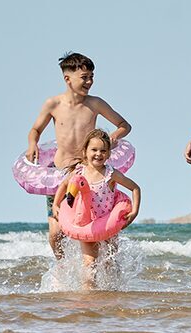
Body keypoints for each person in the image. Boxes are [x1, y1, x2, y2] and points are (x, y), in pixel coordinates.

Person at [26, 52, 132, 259]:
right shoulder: (53, 104)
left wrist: (111, 138)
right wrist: (33, 144)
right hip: (60, 173)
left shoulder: (95, 104)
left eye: (91, 76)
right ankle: (63, 269)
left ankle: (110, 272)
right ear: (68, 78)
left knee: (103, 232)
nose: (89, 81)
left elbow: (124, 125)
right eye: (84, 77)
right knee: (56, 234)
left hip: (91, 172)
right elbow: (35, 130)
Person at [52, 129, 142, 290]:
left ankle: (111, 291)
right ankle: (89, 293)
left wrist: (134, 211)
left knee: (109, 262)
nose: (98, 154)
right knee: (90, 263)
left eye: (103, 151)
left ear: (108, 154)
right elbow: (64, 185)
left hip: (108, 223)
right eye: (94, 150)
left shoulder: (111, 174)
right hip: (87, 224)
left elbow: (135, 188)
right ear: (85, 152)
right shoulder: (79, 171)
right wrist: (56, 204)